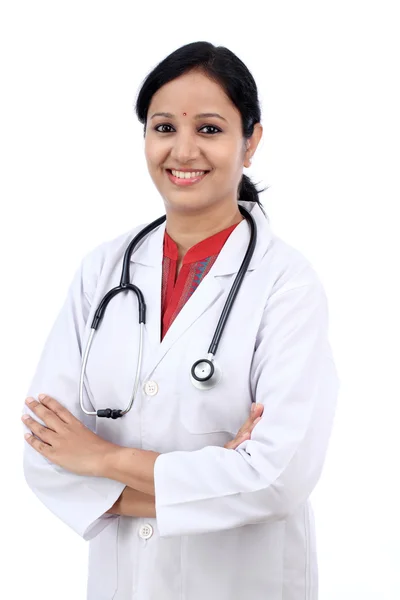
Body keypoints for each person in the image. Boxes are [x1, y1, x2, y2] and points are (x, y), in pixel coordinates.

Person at [21, 41, 340, 600]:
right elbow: (44, 455)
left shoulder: (286, 283)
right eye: (164, 127)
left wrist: (103, 459)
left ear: (252, 141)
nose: (183, 150)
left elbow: (277, 478)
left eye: (210, 129)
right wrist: (214, 476)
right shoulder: (102, 271)